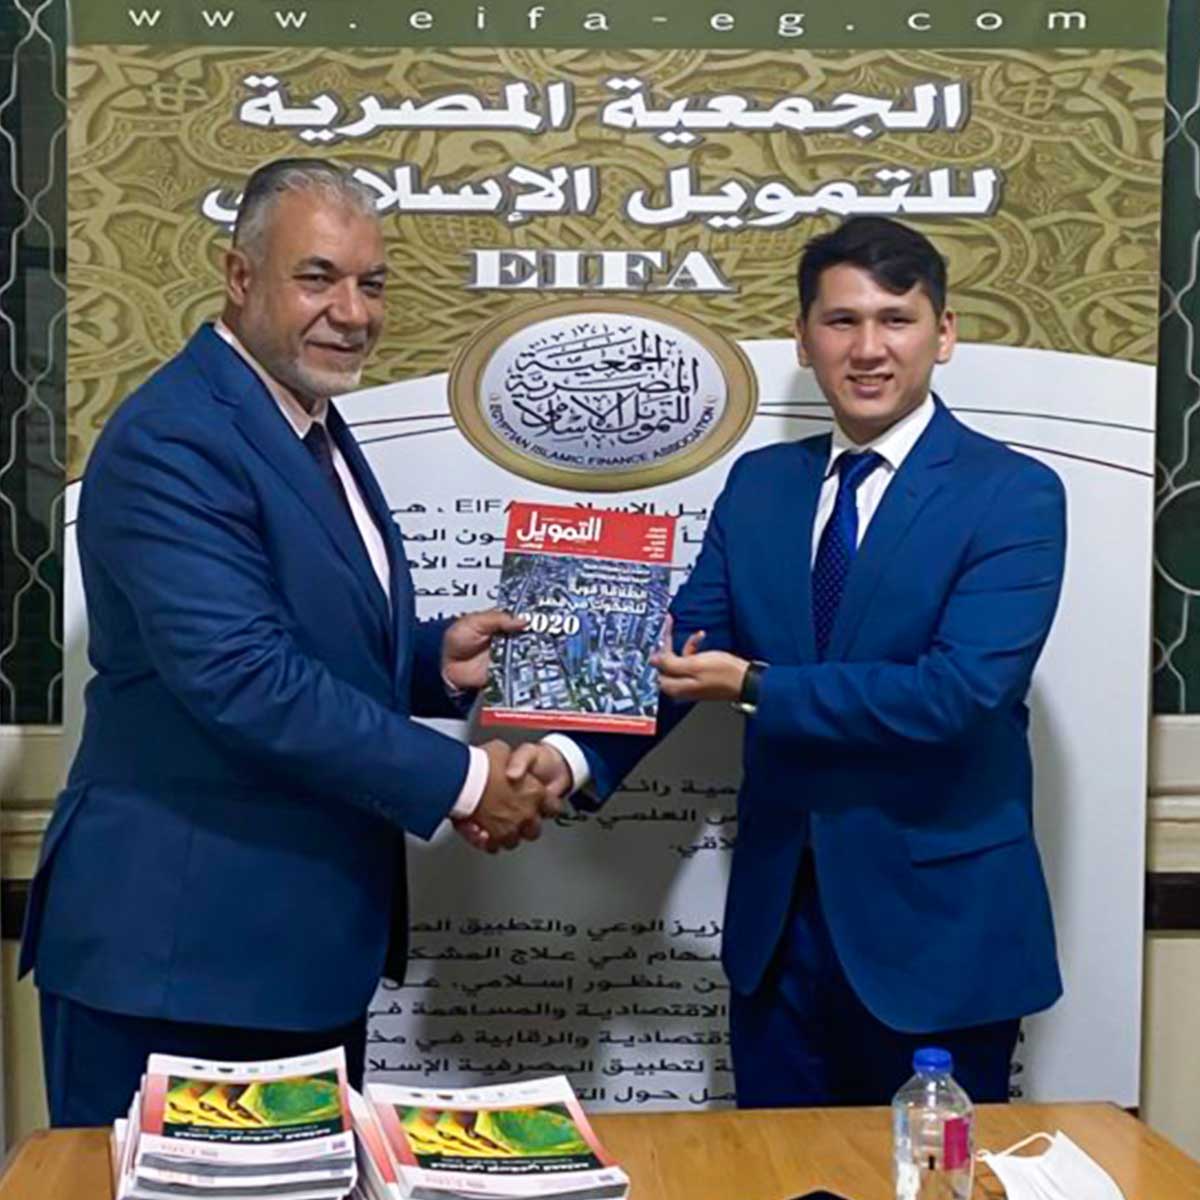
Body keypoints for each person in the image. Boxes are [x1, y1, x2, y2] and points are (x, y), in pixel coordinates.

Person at [20, 158, 551, 1126]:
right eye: (318, 278)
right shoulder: (177, 436)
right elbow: (241, 676)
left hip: (295, 952)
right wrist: (469, 781)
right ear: (239, 275)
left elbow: (296, 627)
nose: (352, 312)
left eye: (371, 283)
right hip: (182, 959)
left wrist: (430, 660)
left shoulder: (304, 418)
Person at [508, 216, 1067, 1107]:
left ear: (944, 334)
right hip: (779, 936)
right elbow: (685, 654)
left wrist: (757, 685)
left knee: (932, 1172)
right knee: (774, 1169)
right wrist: (568, 755)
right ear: (804, 340)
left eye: (896, 319)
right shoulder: (761, 485)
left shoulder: (1014, 494)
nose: (868, 348)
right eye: (842, 321)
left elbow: (960, 693)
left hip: (938, 937)